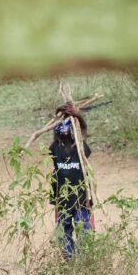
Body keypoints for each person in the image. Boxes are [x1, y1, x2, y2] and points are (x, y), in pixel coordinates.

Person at [48, 107, 93, 259]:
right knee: (63, 232)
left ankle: (83, 260)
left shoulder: (80, 149)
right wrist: (63, 113)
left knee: (85, 230)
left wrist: (78, 116)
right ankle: (69, 260)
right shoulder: (55, 149)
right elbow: (56, 130)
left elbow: (84, 131)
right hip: (62, 200)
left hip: (81, 200)